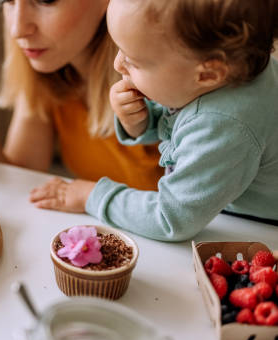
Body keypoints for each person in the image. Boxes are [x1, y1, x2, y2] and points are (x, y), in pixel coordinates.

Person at [81, 0, 277, 241]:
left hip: (258, 233)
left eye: (133, 60)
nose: (117, 64)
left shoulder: (224, 125)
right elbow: (182, 120)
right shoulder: (233, 69)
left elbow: (170, 218)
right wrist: (142, 121)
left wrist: (92, 195)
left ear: (208, 74)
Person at [0, 0, 164, 195]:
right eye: (7, 1)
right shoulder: (50, 72)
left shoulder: (167, 83)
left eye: (45, 1)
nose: (17, 29)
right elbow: (24, 176)